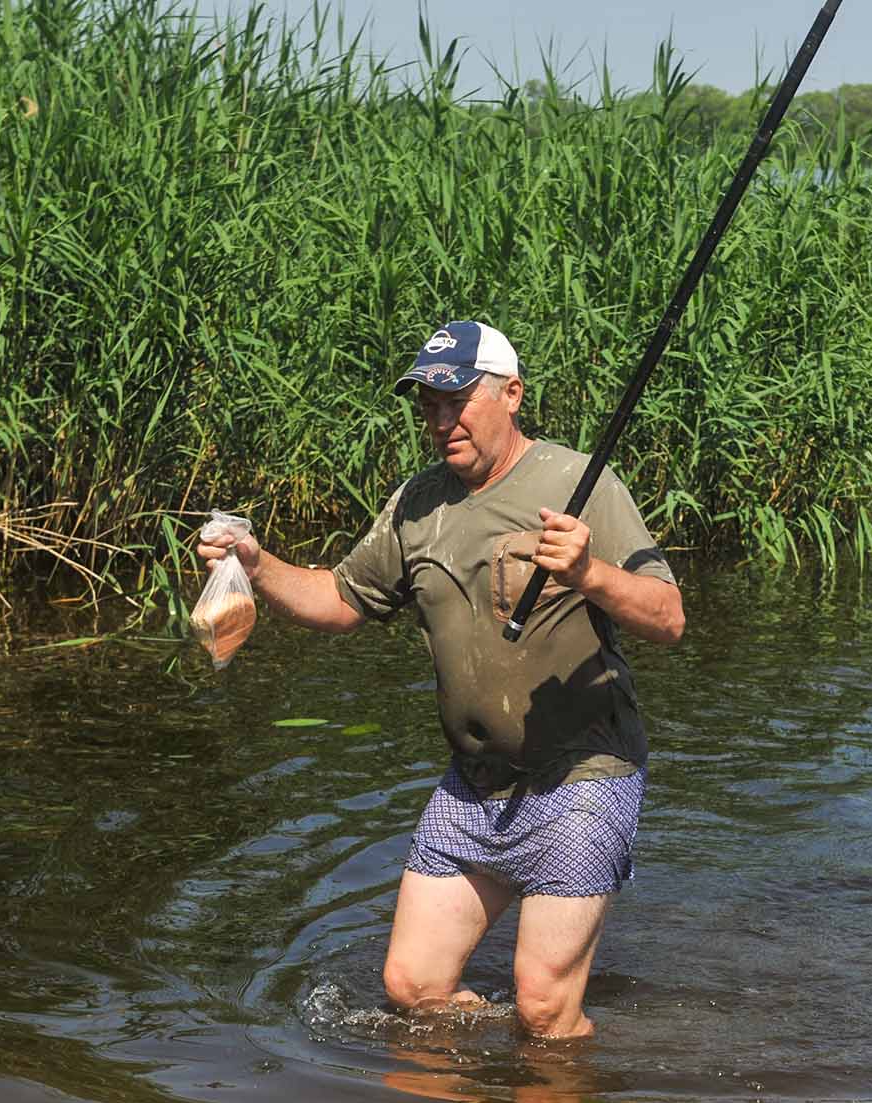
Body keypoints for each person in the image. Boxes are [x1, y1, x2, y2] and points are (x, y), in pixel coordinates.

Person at [198, 320, 684, 1038]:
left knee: (544, 1007)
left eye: (457, 400)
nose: (441, 420)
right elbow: (341, 600)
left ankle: (573, 1094)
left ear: (512, 395)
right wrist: (257, 562)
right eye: (429, 405)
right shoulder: (417, 503)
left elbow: (669, 617)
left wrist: (589, 573)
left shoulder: (579, 482)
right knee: (413, 988)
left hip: (583, 774)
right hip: (476, 781)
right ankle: (480, 1090)